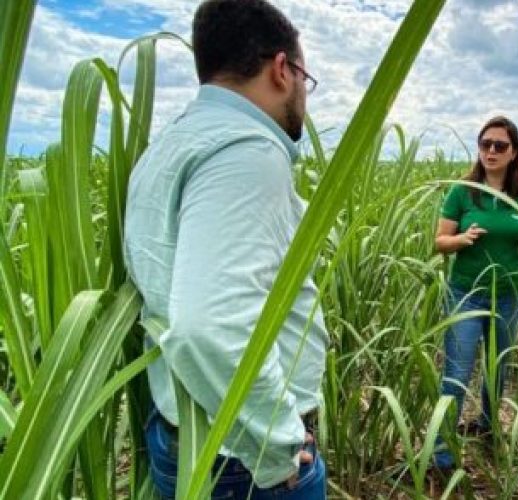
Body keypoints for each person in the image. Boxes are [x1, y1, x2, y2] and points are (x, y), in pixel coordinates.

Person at [124, 0, 328, 497]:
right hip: (243, 458)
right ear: (282, 69)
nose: (304, 92)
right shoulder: (247, 152)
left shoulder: (175, 142)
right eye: (305, 76)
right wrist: (277, 443)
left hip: (193, 431)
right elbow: (208, 326)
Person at [431, 116, 518, 472]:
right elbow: (439, 242)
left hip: (508, 296)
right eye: (485, 144)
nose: (491, 151)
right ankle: (441, 454)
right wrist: (461, 239)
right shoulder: (462, 192)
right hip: (465, 294)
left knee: (497, 368)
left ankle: (486, 428)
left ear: (513, 152)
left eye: (499, 145)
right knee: (456, 373)